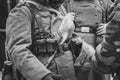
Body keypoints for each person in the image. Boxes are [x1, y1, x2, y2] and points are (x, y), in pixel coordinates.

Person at [5, 0, 78, 80]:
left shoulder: (61, 10)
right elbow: (18, 50)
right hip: (43, 74)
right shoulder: (22, 11)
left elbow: (71, 41)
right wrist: (43, 76)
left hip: (68, 72)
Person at [63, 0, 113, 80]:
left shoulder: (105, 2)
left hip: (98, 44)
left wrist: (109, 27)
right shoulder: (67, 3)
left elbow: (117, 21)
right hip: (75, 45)